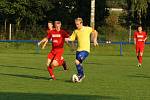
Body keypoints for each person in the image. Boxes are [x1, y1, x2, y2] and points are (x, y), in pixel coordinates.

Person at [66, 17, 98, 82]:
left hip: (85, 50)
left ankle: (81, 75)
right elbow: (72, 38)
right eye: (76, 24)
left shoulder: (87, 29)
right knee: (79, 63)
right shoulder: (76, 31)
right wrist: (66, 39)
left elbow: (95, 32)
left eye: (78, 24)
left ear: (81, 23)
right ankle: (81, 75)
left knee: (76, 61)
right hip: (78, 50)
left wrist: (95, 40)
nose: (76, 25)